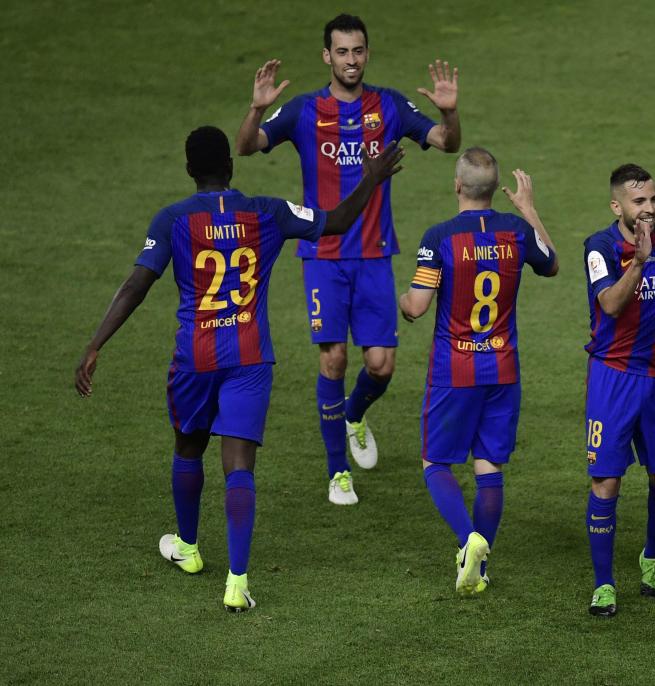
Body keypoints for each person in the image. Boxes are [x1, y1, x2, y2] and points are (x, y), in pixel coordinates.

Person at [74, 126, 403, 611]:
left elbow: (136, 285)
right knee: (239, 467)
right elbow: (335, 222)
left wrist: (96, 344)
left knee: (189, 448)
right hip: (250, 356)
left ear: (190, 171)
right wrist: (370, 179)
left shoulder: (171, 220)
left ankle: (187, 547)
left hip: (196, 358)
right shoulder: (267, 212)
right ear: (231, 165)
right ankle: (237, 581)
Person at [235, 13, 461, 505]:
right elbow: (246, 147)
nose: (351, 60)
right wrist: (256, 110)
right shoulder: (302, 110)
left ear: (366, 53)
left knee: (380, 366)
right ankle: (338, 471)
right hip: (322, 253)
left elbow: (447, 144)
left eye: (358, 50)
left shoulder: (390, 106)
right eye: (342, 52)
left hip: (375, 253)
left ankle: (355, 415)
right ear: (327, 57)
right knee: (334, 358)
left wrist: (448, 113)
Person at [398, 148, 558, 595]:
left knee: (436, 461)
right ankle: (480, 567)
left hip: (455, 369)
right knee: (489, 465)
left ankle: (469, 537)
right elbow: (552, 262)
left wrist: (404, 306)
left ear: (457, 185)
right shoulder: (516, 230)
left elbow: (418, 303)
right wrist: (529, 210)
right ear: (493, 189)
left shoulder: (440, 237)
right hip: (503, 368)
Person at [582, 165, 655, 617]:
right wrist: (640, 262)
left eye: (653, 200)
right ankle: (604, 584)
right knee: (607, 480)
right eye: (639, 202)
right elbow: (610, 303)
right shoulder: (599, 247)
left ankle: (652, 557)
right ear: (617, 206)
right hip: (613, 379)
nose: (649, 209)